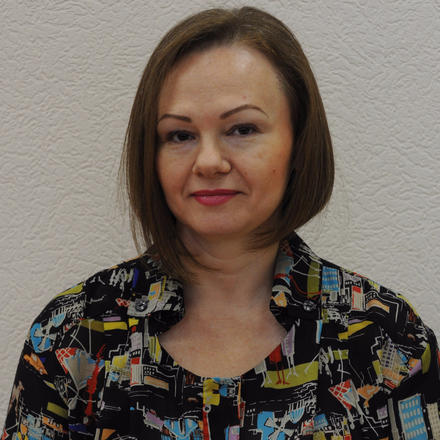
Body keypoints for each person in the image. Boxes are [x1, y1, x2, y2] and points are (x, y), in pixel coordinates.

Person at [3, 6, 440, 440]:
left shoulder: (389, 339)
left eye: (242, 129)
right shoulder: (71, 334)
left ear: (299, 144)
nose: (209, 162)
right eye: (180, 135)